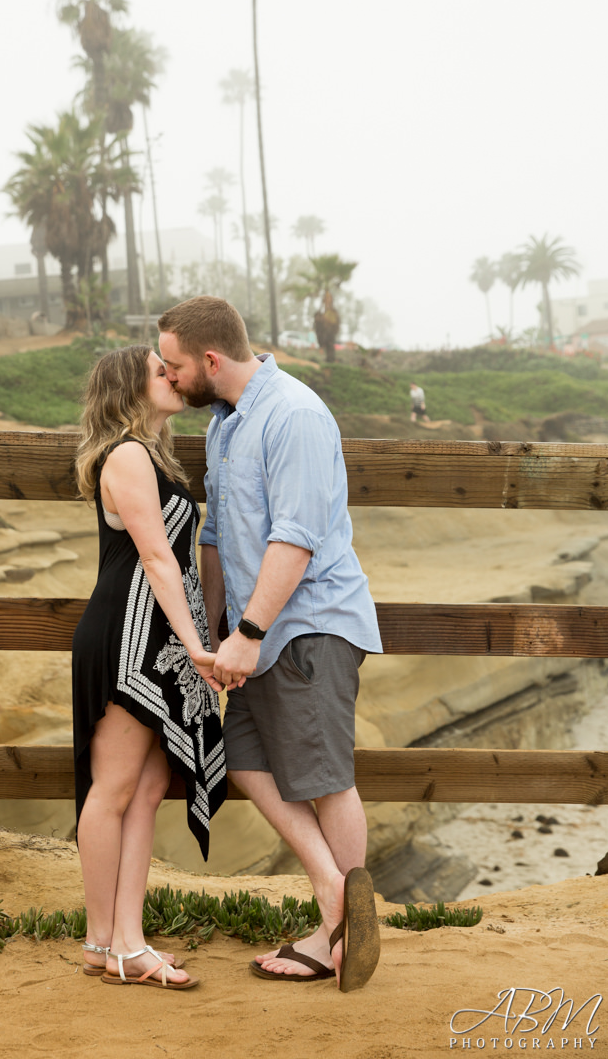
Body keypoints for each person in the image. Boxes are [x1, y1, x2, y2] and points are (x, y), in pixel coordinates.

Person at [158, 297, 383, 993]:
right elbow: (219, 539)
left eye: (174, 366)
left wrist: (250, 635)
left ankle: (338, 938)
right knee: (246, 762)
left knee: (323, 778)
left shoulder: (296, 415)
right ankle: (337, 894)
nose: (169, 379)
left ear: (212, 361)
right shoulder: (226, 426)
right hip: (255, 635)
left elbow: (297, 538)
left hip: (309, 624)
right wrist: (214, 636)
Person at [72, 344, 227, 991]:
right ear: (126, 390)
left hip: (157, 635)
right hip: (130, 638)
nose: (172, 377)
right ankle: (106, 939)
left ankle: (122, 942)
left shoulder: (154, 452)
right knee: (112, 791)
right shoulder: (127, 455)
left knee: (142, 792)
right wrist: (197, 644)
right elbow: (160, 560)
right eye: (158, 373)